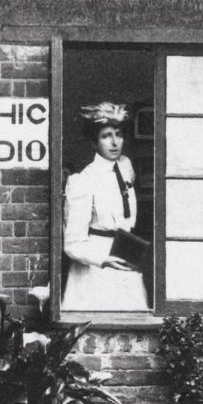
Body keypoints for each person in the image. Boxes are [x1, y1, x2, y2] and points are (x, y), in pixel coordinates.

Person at [61, 102, 149, 311]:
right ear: (94, 141)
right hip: (95, 268)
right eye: (105, 136)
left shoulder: (126, 167)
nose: (114, 142)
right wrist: (103, 260)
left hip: (125, 255)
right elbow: (72, 243)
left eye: (118, 134)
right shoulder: (82, 181)